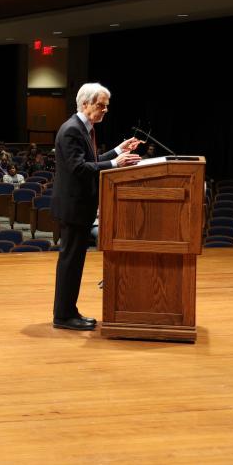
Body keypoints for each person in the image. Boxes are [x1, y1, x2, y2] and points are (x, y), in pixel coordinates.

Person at [52, 82, 142, 331]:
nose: (104, 110)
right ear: (85, 103)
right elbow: (79, 169)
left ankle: (68, 312)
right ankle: (63, 316)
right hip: (73, 207)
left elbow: (89, 160)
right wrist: (114, 163)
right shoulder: (72, 129)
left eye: (106, 106)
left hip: (78, 207)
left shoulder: (83, 127)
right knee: (70, 263)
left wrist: (117, 151)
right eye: (101, 105)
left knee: (74, 263)